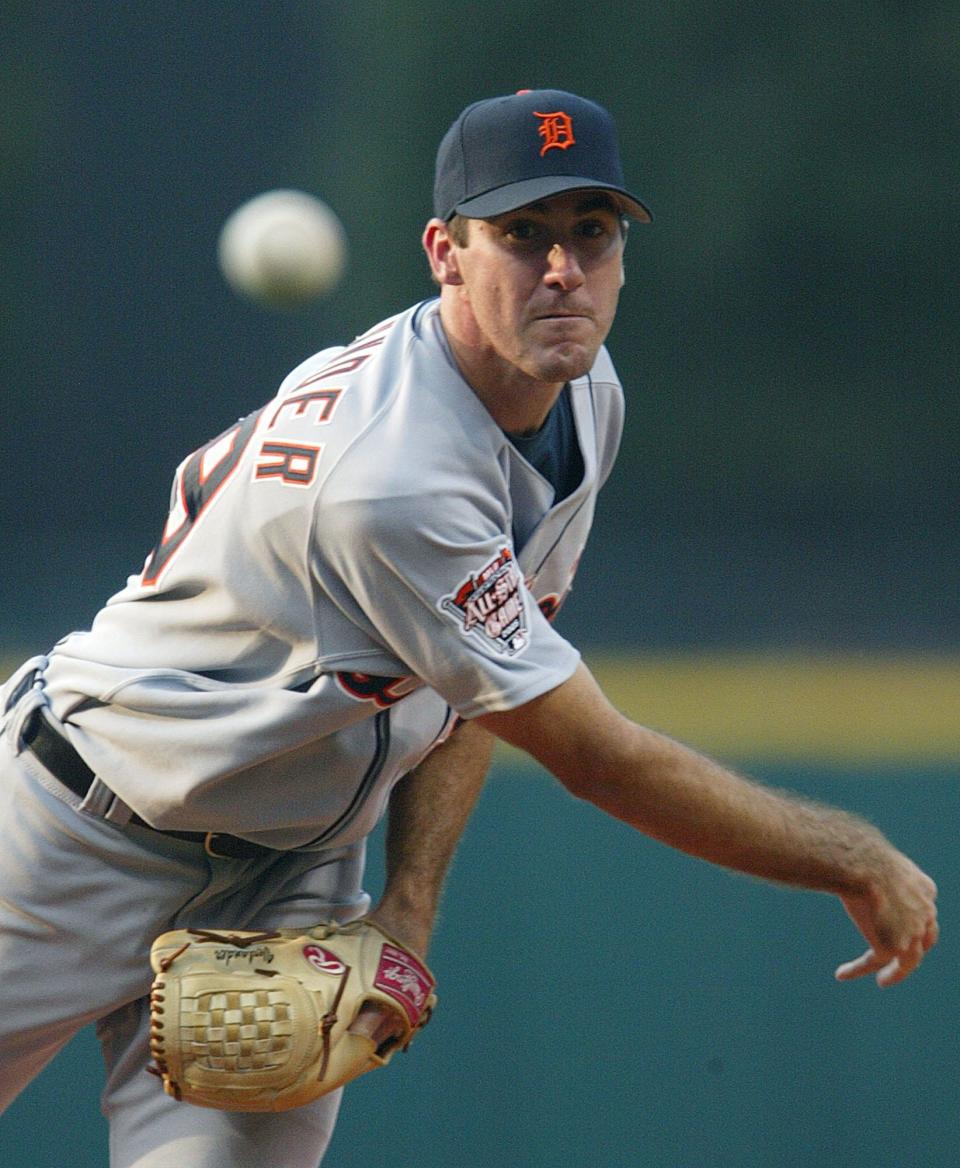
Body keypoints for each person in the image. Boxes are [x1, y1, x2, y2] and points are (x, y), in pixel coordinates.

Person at [0, 88, 937, 1167]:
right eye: (523, 234)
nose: (562, 271)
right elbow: (593, 757)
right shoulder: (395, 478)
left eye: (592, 233)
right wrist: (850, 854)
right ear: (446, 253)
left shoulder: (583, 396)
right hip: (74, 825)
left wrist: (406, 903)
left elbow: (484, 681)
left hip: (286, 873)